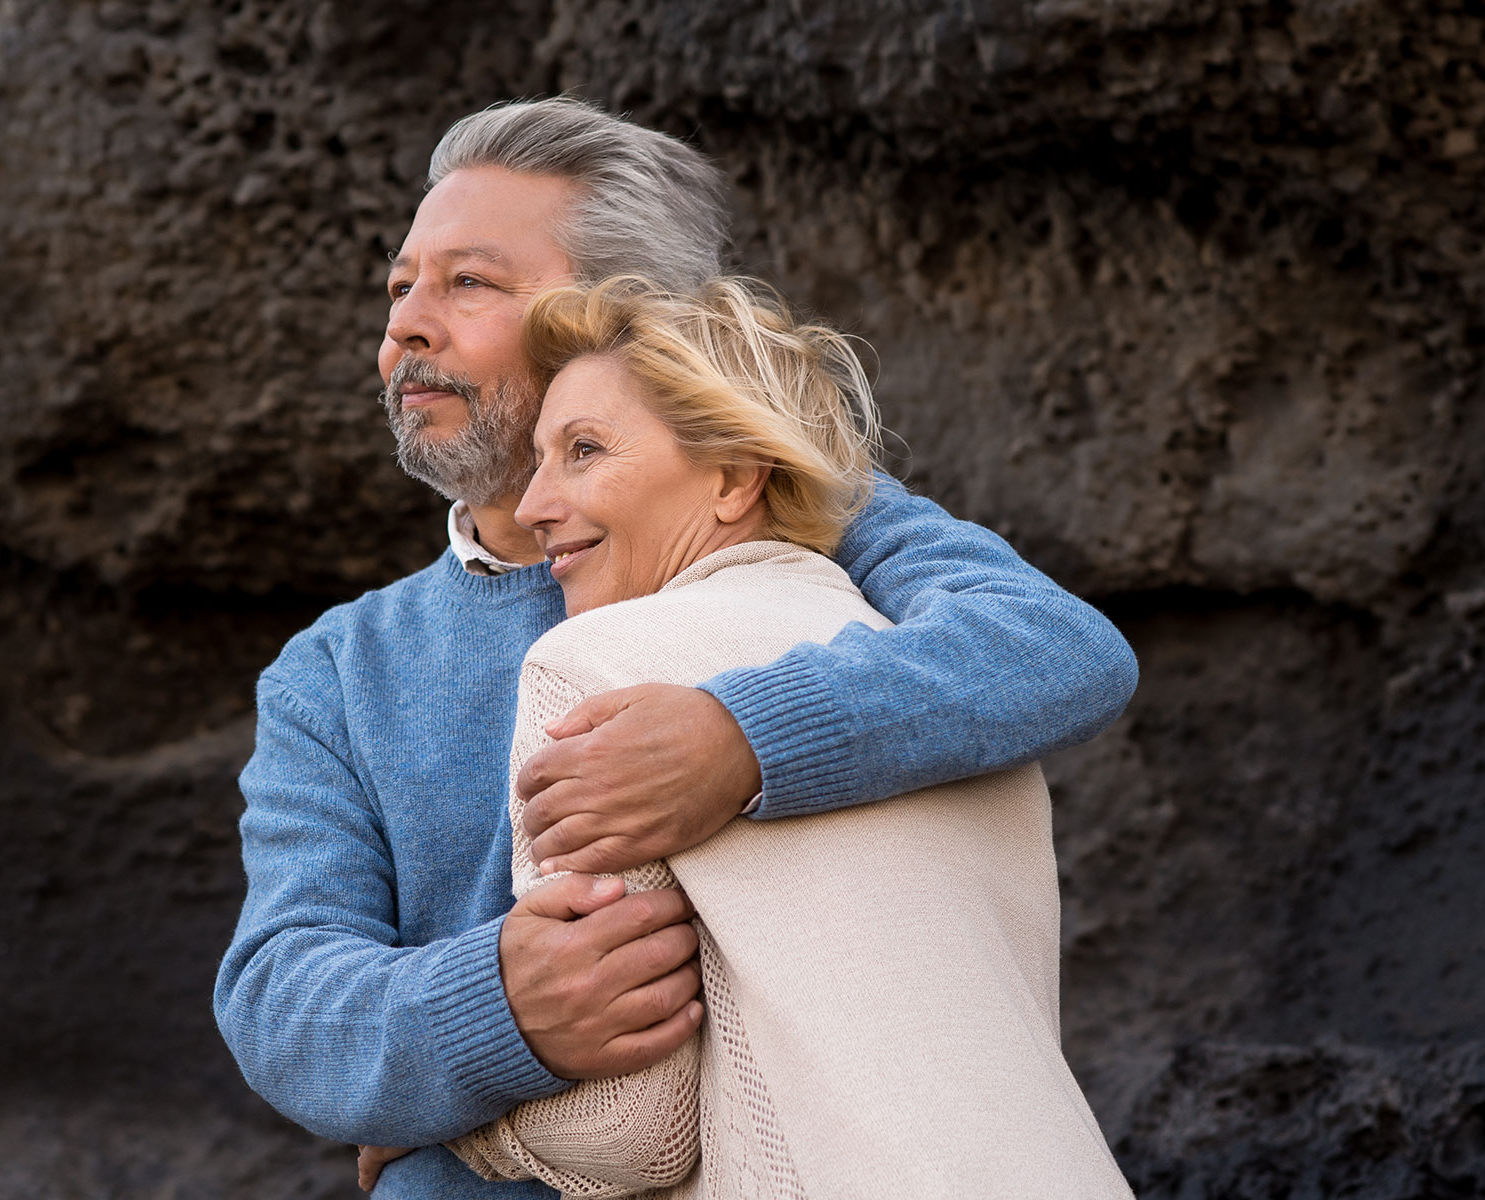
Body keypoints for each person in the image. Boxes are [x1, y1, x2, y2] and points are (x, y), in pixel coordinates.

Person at [212, 97, 1138, 1199]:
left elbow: (1052, 647)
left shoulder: (814, 510)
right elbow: (281, 994)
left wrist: (741, 742)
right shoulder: (340, 667)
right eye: (401, 285)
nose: (407, 324)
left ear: (625, 315)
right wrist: (495, 1009)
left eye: (470, 282)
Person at [437, 275, 1132, 1197]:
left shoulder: (597, 665)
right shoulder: (953, 691)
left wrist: (447, 1126)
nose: (532, 507)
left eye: (585, 451)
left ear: (732, 477)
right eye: (538, 461)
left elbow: (630, 1131)